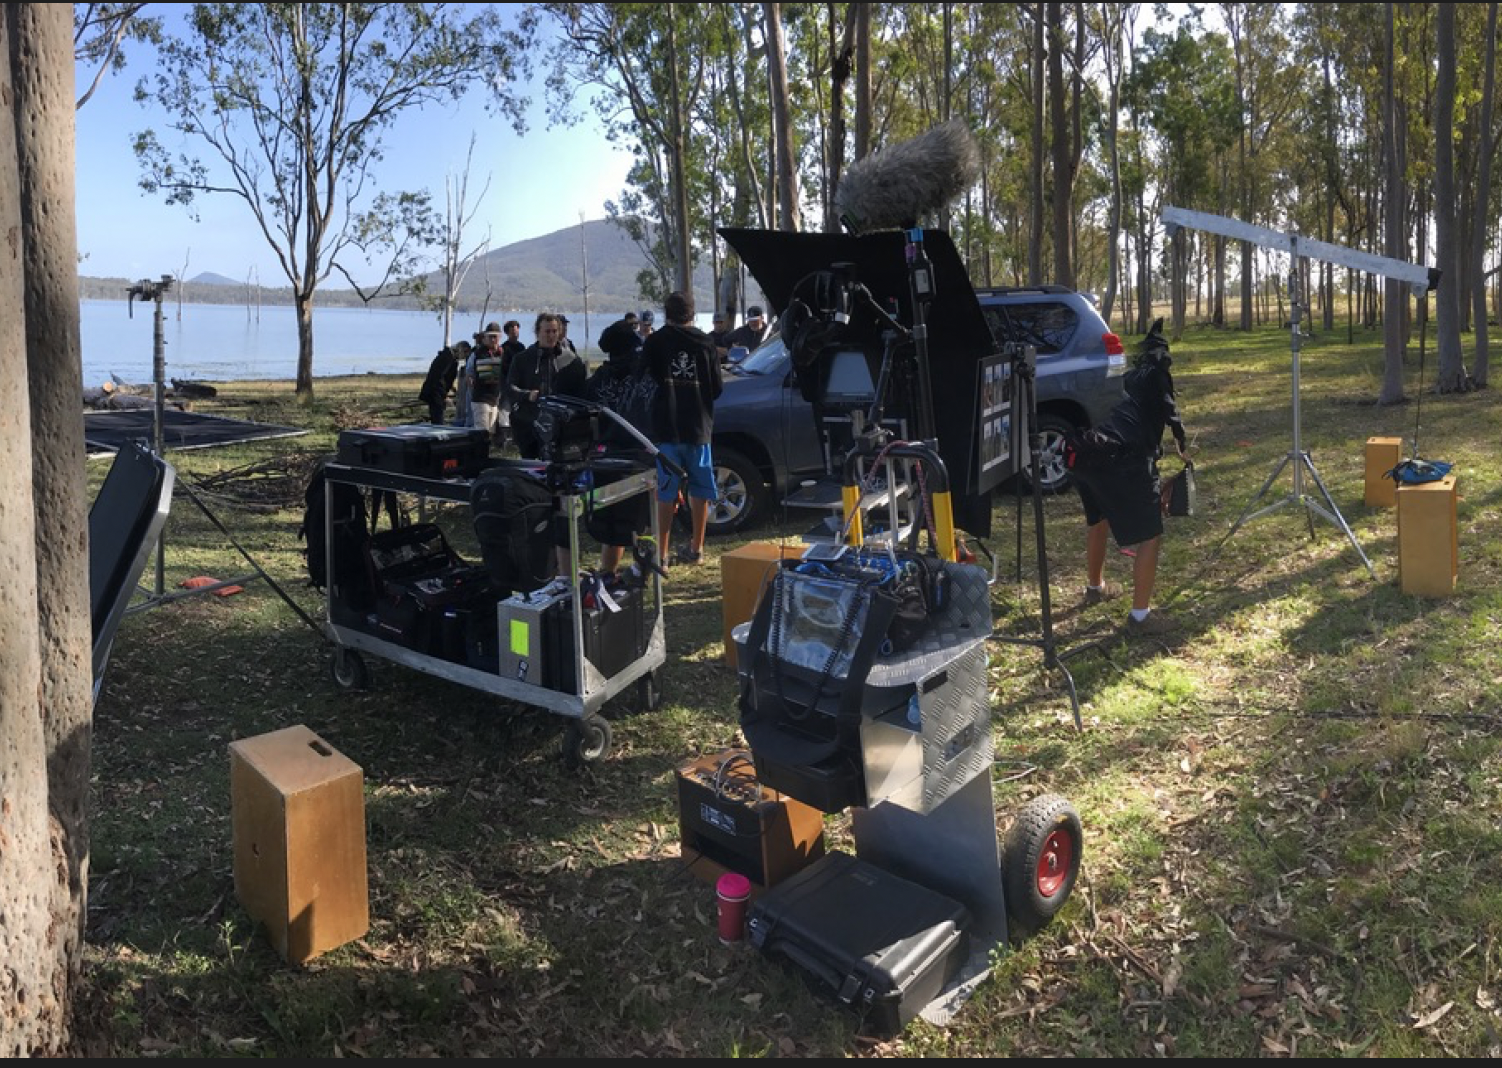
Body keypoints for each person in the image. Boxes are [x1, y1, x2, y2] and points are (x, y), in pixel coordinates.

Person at [1071, 318, 1189, 635]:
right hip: (1123, 457)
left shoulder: (1124, 376)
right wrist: (1184, 448)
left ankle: (1095, 587)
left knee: (1099, 518)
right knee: (1150, 534)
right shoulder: (1157, 377)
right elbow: (1172, 415)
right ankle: (1140, 617)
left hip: (1086, 451)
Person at [644, 291, 722, 566]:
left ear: (666, 313)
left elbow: (645, 381)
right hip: (699, 426)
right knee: (700, 489)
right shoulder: (706, 342)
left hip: (666, 427)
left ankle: (662, 554)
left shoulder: (655, 342)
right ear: (692, 313)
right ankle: (697, 548)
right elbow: (717, 387)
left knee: (666, 491)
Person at [585, 318, 655, 574]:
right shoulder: (643, 374)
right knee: (640, 518)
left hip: (612, 454)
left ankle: (611, 569)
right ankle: (637, 569)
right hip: (637, 453)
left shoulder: (600, 379)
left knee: (614, 517)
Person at [504, 312, 588, 459]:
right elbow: (510, 388)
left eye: (554, 331)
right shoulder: (522, 359)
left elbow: (582, 390)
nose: (551, 336)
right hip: (528, 424)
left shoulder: (570, 360)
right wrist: (527, 395)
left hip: (561, 427)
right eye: (547, 331)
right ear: (538, 332)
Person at [468, 322, 510, 447]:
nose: (493, 340)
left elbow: (507, 373)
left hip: (495, 399)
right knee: (482, 431)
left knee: (490, 431)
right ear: (485, 337)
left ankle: (485, 452)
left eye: (495, 337)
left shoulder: (503, 353)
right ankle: (479, 453)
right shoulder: (477, 353)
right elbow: (470, 372)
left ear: (500, 337)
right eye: (490, 336)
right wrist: (470, 380)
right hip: (480, 398)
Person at [418, 343, 460, 424]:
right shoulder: (447, 358)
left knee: (437, 416)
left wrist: (451, 388)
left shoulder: (447, 357)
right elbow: (439, 377)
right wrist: (444, 395)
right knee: (438, 418)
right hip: (436, 393)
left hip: (436, 392)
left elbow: (445, 377)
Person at [449, 340, 475, 426]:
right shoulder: (463, 366)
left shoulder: (471, 362)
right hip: (462, 398)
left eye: (458, 351)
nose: (458, 354)